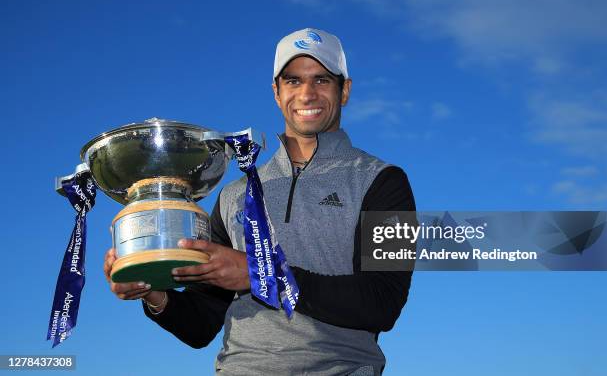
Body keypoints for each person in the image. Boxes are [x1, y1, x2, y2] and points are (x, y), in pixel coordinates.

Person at [104, 28, 416, 375]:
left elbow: (382, 302)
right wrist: (154, 294)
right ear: (276, 92)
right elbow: (202, 324)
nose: (307, 94)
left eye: (322, 80)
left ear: (345, 91)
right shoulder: (233, 194)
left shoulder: (384, 181)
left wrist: (260, 275)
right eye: (293, 81)